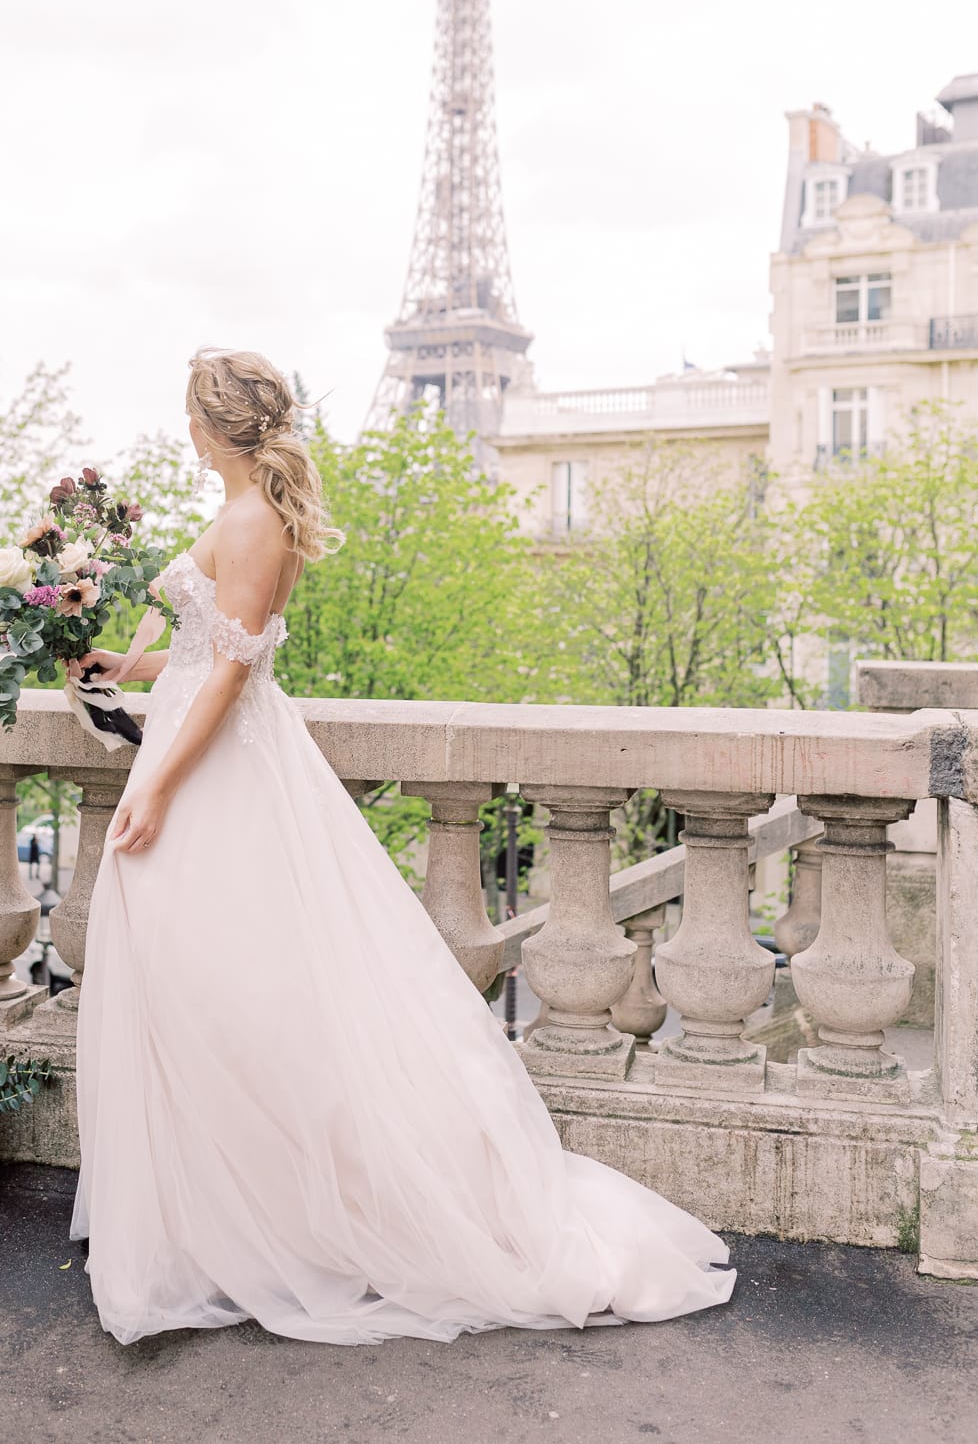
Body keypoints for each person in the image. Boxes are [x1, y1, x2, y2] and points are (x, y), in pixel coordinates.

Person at [68, 347, 735, 1347]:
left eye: (190, 416)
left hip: (217, 776)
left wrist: (156, 785)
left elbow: (233, 678)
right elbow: (206, 653)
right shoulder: (249, 511)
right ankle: (223, 1214)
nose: (184, 431)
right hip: (205, 755)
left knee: (234, 993)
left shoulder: (253, 519)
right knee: (207, 988)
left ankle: (276, 1220)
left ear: (218, 424)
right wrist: (125, 660)